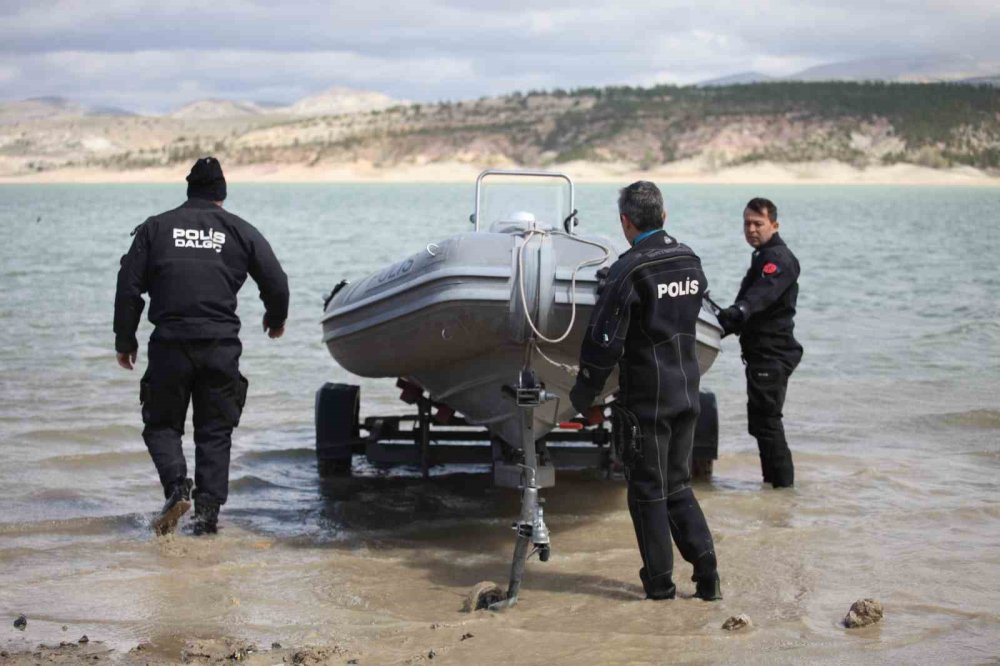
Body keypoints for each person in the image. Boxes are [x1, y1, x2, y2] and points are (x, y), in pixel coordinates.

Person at [114, 157, 289, 536]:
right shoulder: (241, 230)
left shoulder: (155, 227)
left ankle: (177, 487)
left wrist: (125, 339)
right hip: (220, 347)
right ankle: (206, 517)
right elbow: (276, 281)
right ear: (221, 194)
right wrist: (275, 320)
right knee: (214, 431)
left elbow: (128, 287)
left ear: (190, 189)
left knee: (162, 425)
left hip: (170, 345)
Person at [569, 181, 721, 601]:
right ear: (663, 215)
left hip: (647, 402)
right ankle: (708, 578)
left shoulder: (629, 271)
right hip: (687, 392)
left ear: (625, 222)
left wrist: (583, 395)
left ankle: (659, 588)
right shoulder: (689, 260)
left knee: (648, 493)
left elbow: (603, 343)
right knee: (678, 486)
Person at [716, 197, 802, 488]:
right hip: (762, 355)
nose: (751, 229)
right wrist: (716, 325)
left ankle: (782, 490)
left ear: (774, 225)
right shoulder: (762, 256)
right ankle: (773, 488)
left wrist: (739, 311)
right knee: (761, 424)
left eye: (758, 223)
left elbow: (760, 296)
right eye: (747, 224)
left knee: (767, 424)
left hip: (772, 355)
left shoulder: (778, 259)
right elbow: (744, 312)